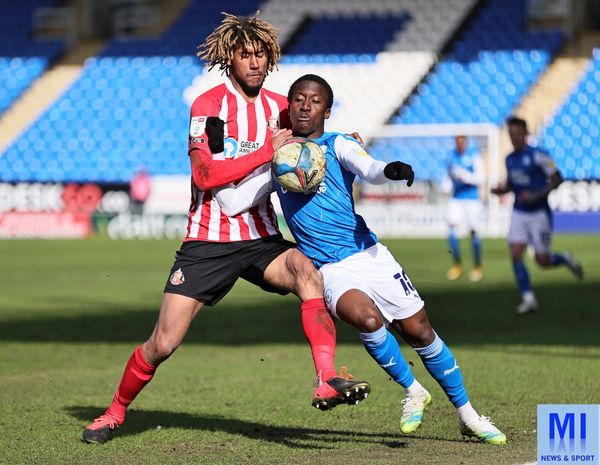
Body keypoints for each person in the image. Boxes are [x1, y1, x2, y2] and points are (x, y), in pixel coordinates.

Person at [82, 13, 369, 445]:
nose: (253, 62)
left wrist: (346, 141)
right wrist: (266, 153)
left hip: (260, 238)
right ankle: (114, 412)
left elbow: (313, 137)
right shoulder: (210, 107)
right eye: (244, 55)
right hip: (207, 241)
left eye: (260, 55)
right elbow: (205, 176)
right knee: (163, 343)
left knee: (309, 273)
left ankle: (326, 377)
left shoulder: (280, 107)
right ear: (229, 59)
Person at [217, 74, 507, 444]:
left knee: (419, 331)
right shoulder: (279, 160)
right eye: (299, 99)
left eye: (315, 100)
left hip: (370, 254)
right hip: (329, 269)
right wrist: (223, 162)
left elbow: (369, 168)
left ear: (327, 109)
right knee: (367, 319)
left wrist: (391, 170)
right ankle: (412, 389)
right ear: (289, 107)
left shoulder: (338, 145)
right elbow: (233, 203)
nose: (306, 106)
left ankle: (468, 416)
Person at [491, 116, 583, 314]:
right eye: (511, 134)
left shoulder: (540, 155)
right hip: (519, 212)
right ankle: (528, 298)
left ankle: (565, 259)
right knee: (515, 252)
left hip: (539, 213)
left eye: (517, 134)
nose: (514, 138)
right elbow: (511, 185)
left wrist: (536, 195)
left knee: (542, 260)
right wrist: (501, 190)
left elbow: (558, 178)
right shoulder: (509, 159)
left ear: (525, 134)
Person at [443, 136, 485, 282]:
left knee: (474, 233)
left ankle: (477, 266)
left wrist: (465, 176)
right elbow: (448, 177)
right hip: (457, 199)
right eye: (457, 142)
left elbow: (481, 179)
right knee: (452, 230)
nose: (460, 145)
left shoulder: (474, 156)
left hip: (472, 200)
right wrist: (446, 186)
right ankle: (457, 265)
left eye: (462, 142)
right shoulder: (450, 157)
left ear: (466, 142)